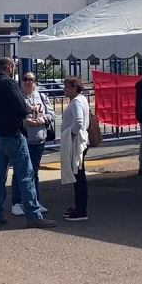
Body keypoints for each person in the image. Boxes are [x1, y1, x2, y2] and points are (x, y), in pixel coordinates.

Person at [0, 58, 56, 229]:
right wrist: (33, 109)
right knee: (26, 174)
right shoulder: (8, 83)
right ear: (9, 68)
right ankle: (34, 215)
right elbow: (22, 108)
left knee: (0, 176)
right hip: (13, 134)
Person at [10, 72, 55, 216]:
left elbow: (52, 114)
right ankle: (16, 202)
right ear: (21, 82)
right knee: (19, 171)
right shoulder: (17, 97)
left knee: (34, 172)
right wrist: (25, 121)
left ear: (35, 82)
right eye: (25, 79)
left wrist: (43, 120)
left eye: (31, 80)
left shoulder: (41, 96)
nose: (28, 82)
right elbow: (12, 116)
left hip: (38, 139)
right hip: (22, 140)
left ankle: (34, 201)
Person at [61, 76, 90, 222]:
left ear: (75, 88)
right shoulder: (80, 100)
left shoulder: (77, 101)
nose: (65, 89)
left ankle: (81, 210)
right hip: (79, 140)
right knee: (78, 175)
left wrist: (70, 134)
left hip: (76, 141)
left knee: (78, 176)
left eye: (67, 87)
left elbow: (79, 123)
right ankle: (79, 207)